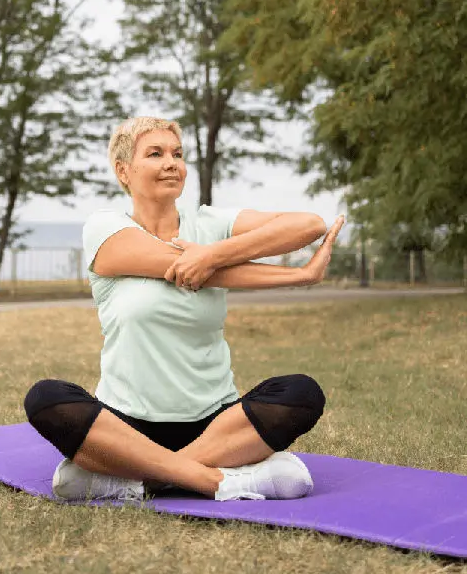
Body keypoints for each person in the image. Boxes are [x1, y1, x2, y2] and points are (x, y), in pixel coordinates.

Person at [24, 116, 344, 502]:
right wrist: (294, 277)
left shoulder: (211, 224)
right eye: (155, 154)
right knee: (46, 399)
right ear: (123, 171)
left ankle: (140, 479)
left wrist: (213, 252)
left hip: (215, 424)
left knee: (300, 393)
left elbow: (309, 225)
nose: (171, 163)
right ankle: (220, 481)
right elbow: (190, 271)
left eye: (177, 154)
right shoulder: (105, 229)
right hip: (125, 424)